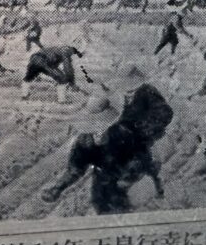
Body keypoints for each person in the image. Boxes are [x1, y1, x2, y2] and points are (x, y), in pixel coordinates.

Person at [41, 84, 173, 214]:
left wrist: (130, 184)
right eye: (92, 128)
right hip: (105, 184)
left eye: (101, 127)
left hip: (136, 182)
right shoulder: (85, 141)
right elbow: (75, 169)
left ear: (111, 124)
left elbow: (146, 162)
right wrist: (58, 188)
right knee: (103, 208)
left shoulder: (126, 135)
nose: (97, 133)